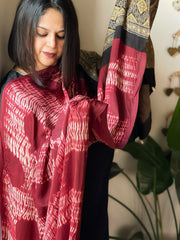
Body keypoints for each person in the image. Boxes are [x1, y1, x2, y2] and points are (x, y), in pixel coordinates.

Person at [0, 0, 150, 239]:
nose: (52, 44)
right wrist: (77, 119)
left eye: (61, 36)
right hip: (43, 226)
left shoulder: (75, 73)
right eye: (42, 33)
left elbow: (117, 119)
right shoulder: (16, 94)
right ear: (23, 30)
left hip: (89, 210)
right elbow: (20, 183)